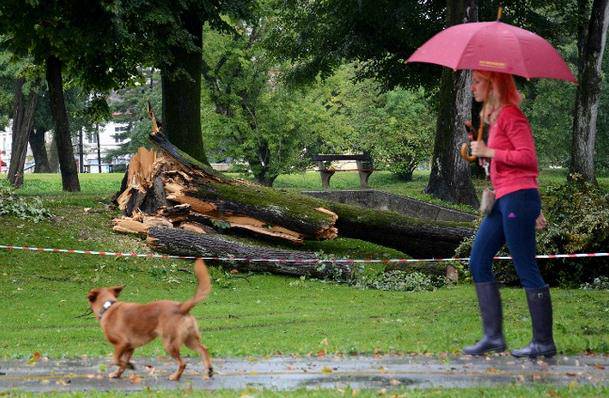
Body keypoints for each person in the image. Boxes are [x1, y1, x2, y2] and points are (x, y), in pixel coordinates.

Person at [463, 70, 556, 358]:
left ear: (493, 84)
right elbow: (500, 161)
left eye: (477, 82)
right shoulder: (494, 118)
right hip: (503, 198)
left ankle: (543, 342)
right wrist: (481, 156)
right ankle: (493, 337)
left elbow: (528, 158)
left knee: (525, 265)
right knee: (478, 260)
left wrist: (490, 152)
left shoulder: (512, 115)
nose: (472, 88)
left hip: (518, 198)